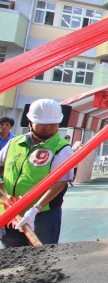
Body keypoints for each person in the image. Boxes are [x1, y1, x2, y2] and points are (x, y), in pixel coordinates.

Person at [0, 99, 74, 247]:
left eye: (53, 124)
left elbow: (59, 183)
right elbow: (2, 165)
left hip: (42, 214)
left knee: (42, 257)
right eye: (42, 124)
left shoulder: (62, 148)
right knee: (12, 254)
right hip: (10, 210)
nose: (48, 128)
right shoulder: (14, 143)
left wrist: (35, 209)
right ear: (30, 122)